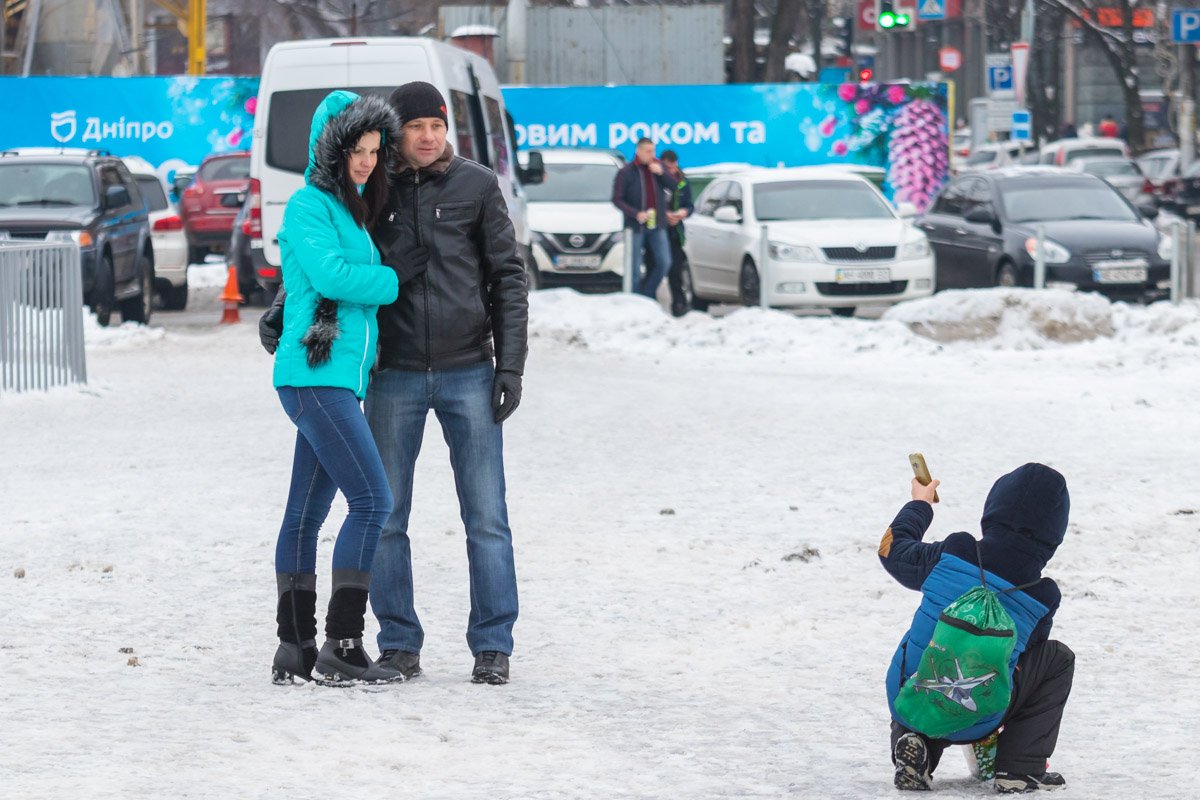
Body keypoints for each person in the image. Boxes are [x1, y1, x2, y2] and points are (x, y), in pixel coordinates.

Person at [365, 81, 529, 686]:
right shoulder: (372, 188)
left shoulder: (478, 185)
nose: (429, 137)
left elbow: (508, 279)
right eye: (415, 128)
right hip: (395, 374)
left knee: (486, 516)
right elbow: (331, 256)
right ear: (395, 134)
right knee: (385, 517)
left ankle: (492, 645)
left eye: (436, 126)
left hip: (468, 370)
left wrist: (509, 366)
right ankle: (398, 643)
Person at [270, 90, 417, 686]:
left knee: (305, 515)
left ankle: (295, 647)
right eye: (357, 150)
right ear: (332, 148)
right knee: (374, 502)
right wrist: (389, 278)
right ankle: (343, 644)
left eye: (375, 151)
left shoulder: (351, 209)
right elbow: (331, 275)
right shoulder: (308, 204)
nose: (367, 161)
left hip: (334, 379)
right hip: (315, 374)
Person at [879, 463, 1075, 793]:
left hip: (908, 694)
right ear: (1054, 534)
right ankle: (1020, 767)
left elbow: (891, 550)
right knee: (1056, 659)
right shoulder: (1042, 595)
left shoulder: (956, 552)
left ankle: (915, 743)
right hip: (981, 715)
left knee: (934, 640)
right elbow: (1023, 657)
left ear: (993, 508)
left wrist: (921, 504)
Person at [611, 137, 673, 298]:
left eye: (653, 151)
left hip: (656, 224)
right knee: (634, 267)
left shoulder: (659, 168)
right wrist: (635, 213)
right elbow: (617, 199)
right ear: (638, 151)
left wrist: (662, 173)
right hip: (635, 225)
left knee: (664, 262)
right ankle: (635, 299)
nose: (652, 155)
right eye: (648, 151)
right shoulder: (627, 172)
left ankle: (648, 293)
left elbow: (674, 186)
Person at [659, 150, 695, 317]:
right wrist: (664, 215)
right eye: (668, 168)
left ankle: (679, 303)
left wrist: (682, 212)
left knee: (676, 269)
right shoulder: (656, 179)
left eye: (674, 168)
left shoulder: (682, 181)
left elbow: (689, 204)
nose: (672, 172)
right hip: (657, 230)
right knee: (656, 266)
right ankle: (648, 301)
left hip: (676, 232)